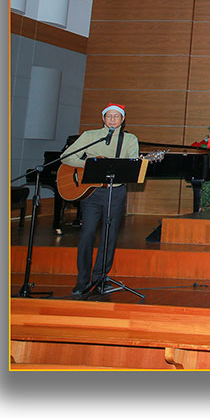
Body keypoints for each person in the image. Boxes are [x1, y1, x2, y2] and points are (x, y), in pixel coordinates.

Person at [63, 103, 140, 296]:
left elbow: (132, 163)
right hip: (91, 193)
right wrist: (88, 164)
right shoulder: (90, 136)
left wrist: (134, 164)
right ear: (103, 118)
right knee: (87, 234)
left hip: (116, 192)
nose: (113, 119)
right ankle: (82, 281)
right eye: (109, 116)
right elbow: (66, 157)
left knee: (109, 237)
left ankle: (100, 279)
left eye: (117, 116)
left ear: (123, 119)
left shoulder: (130, 139)